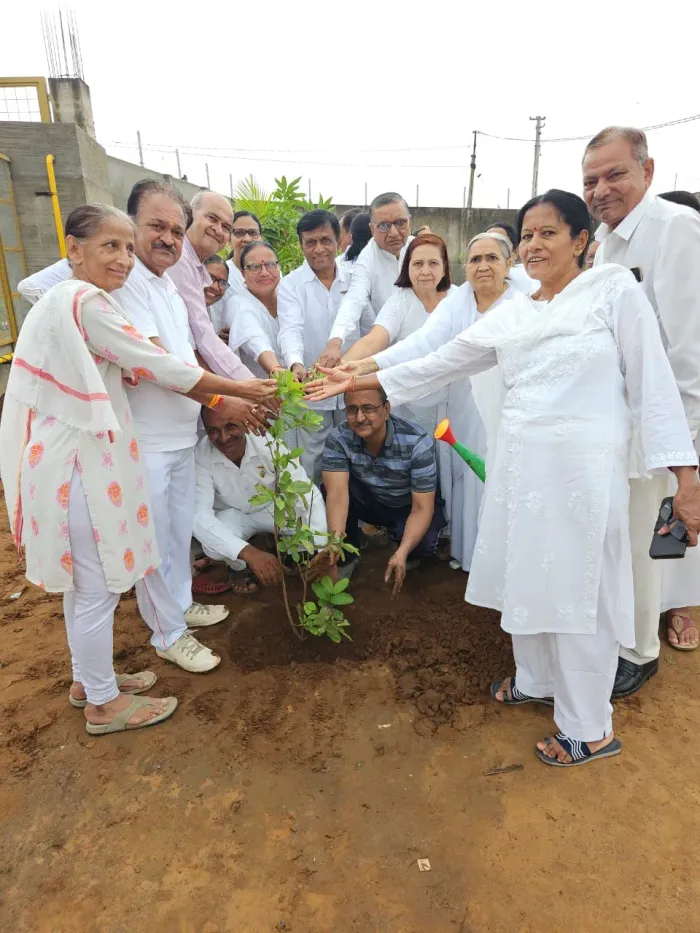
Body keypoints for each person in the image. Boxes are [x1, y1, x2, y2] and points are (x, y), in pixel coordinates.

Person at [305, 189, 700, 768]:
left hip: (582, 478)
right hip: (522, 473)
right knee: (527, 578)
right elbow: (440, 358)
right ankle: (536, 678)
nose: (536, 245)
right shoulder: (513, 310)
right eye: (528, 236)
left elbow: (653, 385)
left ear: (582, 240)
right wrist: (359, 379)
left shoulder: (612, 289)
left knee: (577, 593)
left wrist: (685, 476)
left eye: (549, 233)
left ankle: (588, 727)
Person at [0, 205, 275, 734]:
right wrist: (240, 389)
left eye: (127, 247)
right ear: (73, 250)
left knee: (89, 584)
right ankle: (104, 705)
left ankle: (90, 682)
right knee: (101, 584)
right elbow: (158, 363)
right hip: (83, 463)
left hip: (72, 458)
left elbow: (148, 359)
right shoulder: (85, 301)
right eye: (111, 246)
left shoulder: (77, 300)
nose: (124, 258)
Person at [583, 126, 700, 683]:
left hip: (659, 434)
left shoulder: (676, 230)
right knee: (623, 541)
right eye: (591, 180)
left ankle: (639, 656)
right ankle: (624, 636)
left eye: (615, 174)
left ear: (648, 172)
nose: (601, 188)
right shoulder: (606, 243)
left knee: (648, 544)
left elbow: (690, 353)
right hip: (617, 426)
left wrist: (685, 458)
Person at [328, 231, 517, 572]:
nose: (483, 266)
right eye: (475, 259)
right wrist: (352, 366)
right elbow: (410, 343)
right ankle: (466, 551)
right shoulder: (455, 302)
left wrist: (362, 374)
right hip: (451, 401)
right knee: (459, 477)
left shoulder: (518, 303)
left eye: (492, 258)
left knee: (493, 474)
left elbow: (439, 359)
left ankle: (500, 560)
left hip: (497, 403)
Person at [322, 386, 446, 593]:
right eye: (352, 409)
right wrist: (335, 544)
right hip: (371, 500)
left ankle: (401, 546)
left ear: (386, 409)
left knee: (423, 547)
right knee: (329, 487)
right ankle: (348, 554)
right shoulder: (338, 439)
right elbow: (337, 494)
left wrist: (403, 553)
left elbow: (422, 508)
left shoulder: (417, 442)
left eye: (368, 408)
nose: (360, 417)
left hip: (408, 506)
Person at [194, 405, 327, 593]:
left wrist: (322, 548)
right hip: (233, 515)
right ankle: (238, 567)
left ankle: (287, 547)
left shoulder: (267, 442)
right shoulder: (201, 455)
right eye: (213, 431)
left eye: (231, 426)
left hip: (272, 509)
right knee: (213, 545)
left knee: (302, 510)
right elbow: (199, 516)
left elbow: (306, 491)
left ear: (244, 421)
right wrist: (250, 554)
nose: (223, 438)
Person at [342, 234, 457, 434]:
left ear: (445, 266)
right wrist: (341, 367)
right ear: (407, 267)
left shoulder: (458, 298)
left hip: (456, 401)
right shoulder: (401, 301)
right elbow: (374, 340)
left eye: (433, 263)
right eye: (418, 264)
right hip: (412, 404)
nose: (425, 271)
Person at [277, 209, 356, 480]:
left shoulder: (355, 280)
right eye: (310, 242)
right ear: (301, 245)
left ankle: (352, 520)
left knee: (355, 453)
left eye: (325, 240)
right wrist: (295, 362)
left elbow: (369, 327)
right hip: (312, 387)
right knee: (312, 457)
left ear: (339, 241)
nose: (318, 249)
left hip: (352, 385)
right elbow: (290, 328)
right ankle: (312, 517)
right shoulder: (290, 286)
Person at [317, 192, 413, 367]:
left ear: (409, 222)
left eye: (400, 223)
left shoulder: (421, 250)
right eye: (383, 225)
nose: (393, 232)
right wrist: (335, 341)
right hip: (386, 353)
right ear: (372, 229)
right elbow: (354, 298)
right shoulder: (367, 259)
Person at [168, 192, 255, 380]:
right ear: (189, 217)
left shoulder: (196, 265)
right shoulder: (180, 261)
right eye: (212, 219)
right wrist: (249, 384)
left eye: (226, 227)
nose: (218, 230)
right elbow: (202, 334)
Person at [228, 241, 283, 378]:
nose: (264, 273)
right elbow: (253, 337)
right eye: (254, 267)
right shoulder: (238, 303)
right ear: (243, 273)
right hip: (263, 394)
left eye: (270, 265)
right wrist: (275, 369)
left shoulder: (291, 297)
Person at [486, 221, 538, 294]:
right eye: (486, 242)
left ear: (515, 252)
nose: (492, 247)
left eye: (500, 242)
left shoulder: (535, 280)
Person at [203, 255, 230, 337]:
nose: (215, 287)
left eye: (223, 283)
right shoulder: (179, 307)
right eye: (210, 277)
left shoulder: (212, 312)